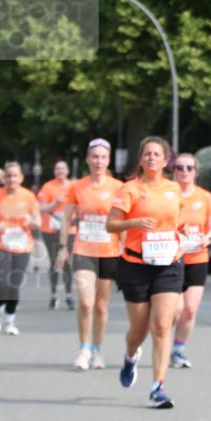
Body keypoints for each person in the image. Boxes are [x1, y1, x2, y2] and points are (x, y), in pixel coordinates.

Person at [106, 136, 183, 408]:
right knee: (138, 331)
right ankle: (130, 356)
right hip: (135, 266)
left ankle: (158, 386)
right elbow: (110, 225)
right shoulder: (130, 189)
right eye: (147, 154)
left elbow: (181, 225)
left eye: (156, 154)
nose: (151, 158)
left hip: (168, 266)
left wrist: (180, 245)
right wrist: (135, 221)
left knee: (162, 326)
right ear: (141, 159)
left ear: (165, 160)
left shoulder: (174, 189)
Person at [54, 139, 121, 370]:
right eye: (94, 156)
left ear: (108, 160)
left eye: (103, 157)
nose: (98, 161)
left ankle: (97, 349)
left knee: (101, 306)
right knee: (85, 302)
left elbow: (122, 221)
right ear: (87, 159)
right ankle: (83, 348)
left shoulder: (118, 187)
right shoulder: (77, 187)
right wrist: (62, 248)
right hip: (84, 250)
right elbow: (66, 220)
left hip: (110, 251)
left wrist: (125, 250)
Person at [171, 153, 211, 368]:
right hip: (172, 258)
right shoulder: (168, 194)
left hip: (197, 258)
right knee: (175, 309)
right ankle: (162, 338)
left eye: (189, 168)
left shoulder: (205, 197)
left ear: (195, 172)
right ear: (174, 171)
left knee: (190, 310)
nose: (184, 171)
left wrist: (206, 239)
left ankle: (178, 349)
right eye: (179, 167)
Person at [0, 163, 41, 335]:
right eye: (9, 176)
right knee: (3, 282)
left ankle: (9, 319)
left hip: (22, 246)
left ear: (21, 178)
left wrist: (30, 220)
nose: (12, 179)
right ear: (5, 179)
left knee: (14, 285)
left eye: (15, 176)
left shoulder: (29, 197)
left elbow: (38, 222)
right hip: (1, 244)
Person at [37, 159, 76, 309]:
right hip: (50, 229)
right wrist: (55, 203)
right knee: (54, 262)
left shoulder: (73, 186)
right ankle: (53, 295)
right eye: (57, 169)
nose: (60, 172)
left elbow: (80, 207)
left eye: (62, 169)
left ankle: (68, 295)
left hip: (69, 229)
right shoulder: (48, 187)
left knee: (66, 261)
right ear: (54, 172)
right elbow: (41, 209)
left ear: (67, 171)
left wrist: (73, 220)